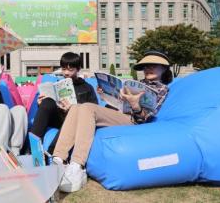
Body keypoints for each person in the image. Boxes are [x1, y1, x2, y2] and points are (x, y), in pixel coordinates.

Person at [53, 51, 173, 192]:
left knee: (87, 108)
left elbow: (144, 118)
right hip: (119, 114)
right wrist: (105, 94)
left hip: (134, 121)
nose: (148, 69)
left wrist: (135, 105)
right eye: (146, 66)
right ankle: (58, 159)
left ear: (164, 68)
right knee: (76, 107)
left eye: (154, 66)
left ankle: (77, 165)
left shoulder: (161, 89)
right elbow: (117, 104)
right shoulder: (136, 84)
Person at [30, 52, 98, 154]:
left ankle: (52, 151)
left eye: (70, 70)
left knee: (72, 114)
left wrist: (73, 108)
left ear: (78, 69)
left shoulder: (87, 88)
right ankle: (33, 148)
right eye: (63, 69)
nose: (66, 73)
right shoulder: (58, 85)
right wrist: (41, 103)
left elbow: (94, 109)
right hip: (58, 117)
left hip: (73, 120)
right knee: (47, 102)